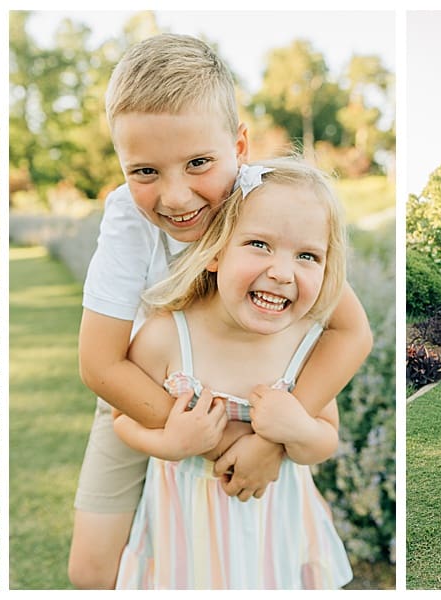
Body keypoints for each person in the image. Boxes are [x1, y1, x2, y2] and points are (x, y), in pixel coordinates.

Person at [68, 33, 373, 588]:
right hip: (142, 386)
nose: (176, 196)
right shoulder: (128, 220)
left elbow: (351, 329)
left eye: (198, 163)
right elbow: (100, 366)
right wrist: (218, 440)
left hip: (255, 391)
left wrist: (270, 439)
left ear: (239, 146)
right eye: (144, 171)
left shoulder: (267, 203)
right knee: (91, 572)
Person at [114, 159, 353, 589]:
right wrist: (168, 443)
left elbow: (325, 438)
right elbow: (122, 418)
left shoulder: (304, 345)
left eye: (307, 256)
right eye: (259, 244)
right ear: (216, 251)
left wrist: (296, 428)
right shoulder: (167, 336)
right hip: (186, 536)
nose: (282, 272)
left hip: (276, 532)